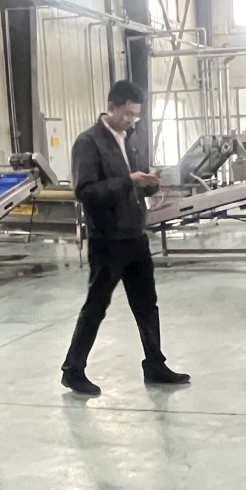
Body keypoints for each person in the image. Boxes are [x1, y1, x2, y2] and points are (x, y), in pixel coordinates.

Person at [60, 80, 189, 396]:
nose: (132, 121)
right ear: (112, 107)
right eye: (127, 114)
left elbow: (136, 183)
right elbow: (85, 191)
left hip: (134, 235)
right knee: (96, 305)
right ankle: (73, 370)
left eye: (136, 115)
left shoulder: (130, 140)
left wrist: (149, 183)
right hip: (108, 240)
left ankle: (155, 364)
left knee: (147, 304)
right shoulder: (88, 143)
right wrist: (128, 180)